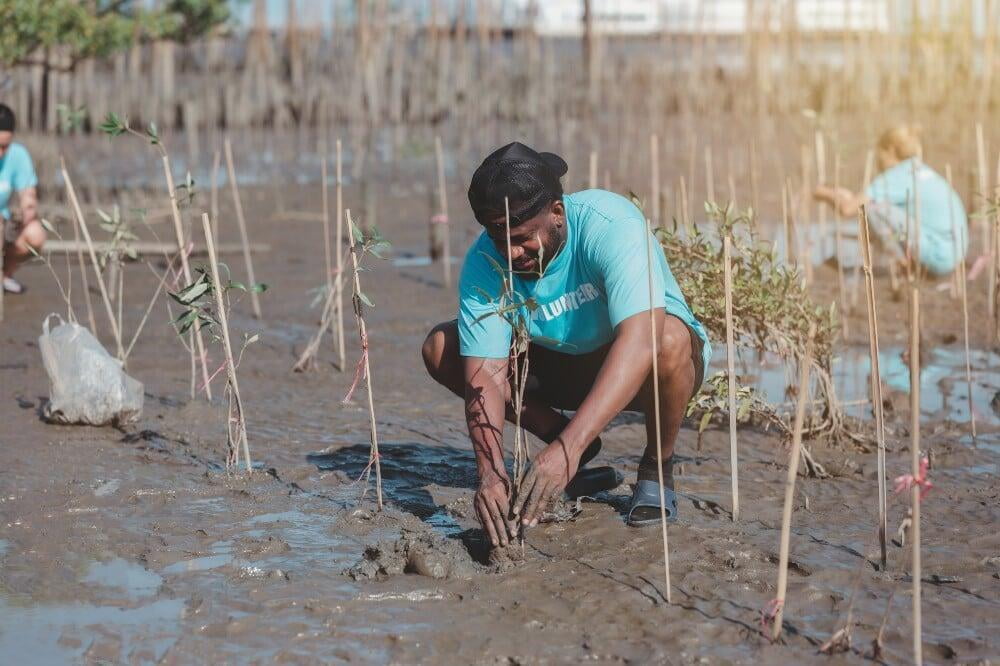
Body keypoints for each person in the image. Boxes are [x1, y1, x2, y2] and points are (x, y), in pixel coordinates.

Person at [421, 142, 711, 547]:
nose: (511, 253)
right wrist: (490, 472)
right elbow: (484, 373)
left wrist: (564, 450)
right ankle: (574, 440)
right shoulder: (485, 260)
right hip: (557, 365)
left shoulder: (610, 224)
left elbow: (641, 341)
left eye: (522, 239)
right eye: (500, 240)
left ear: (557, 213)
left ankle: (656, 468)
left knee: (668, 339)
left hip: (640, 363)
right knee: (443, 347)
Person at [813, 124, 968, 277]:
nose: (877, 161)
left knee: (872, 210)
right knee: (876, 209)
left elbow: (848, 209)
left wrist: (822, 192)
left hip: (937, 255)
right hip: (953, 255)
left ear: (890, 150)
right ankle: (909, 263)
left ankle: (902, 264)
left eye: (879, 154)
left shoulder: (895, 176)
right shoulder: (918, 170)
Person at [0, 103, 44, 294]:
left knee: (35, 234)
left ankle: (4, 276)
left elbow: (29, 199)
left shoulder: (18, 155)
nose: (1, 153)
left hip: (5, 223)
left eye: (5, 146)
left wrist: (24, 214)